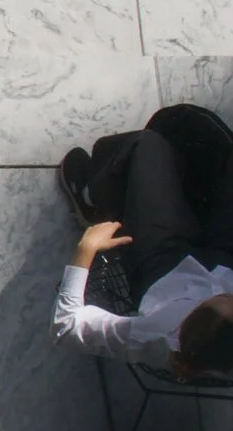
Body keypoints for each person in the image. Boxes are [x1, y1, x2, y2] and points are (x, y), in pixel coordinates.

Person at [52, 109, 233, 376]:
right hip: (225, 257)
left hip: (161, 264)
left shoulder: (154, 335)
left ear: (185, 324)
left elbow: (66, 327)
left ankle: (96, 202)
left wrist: (86, 249)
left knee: (146, 146)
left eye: (221, 298)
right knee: (201, 136)